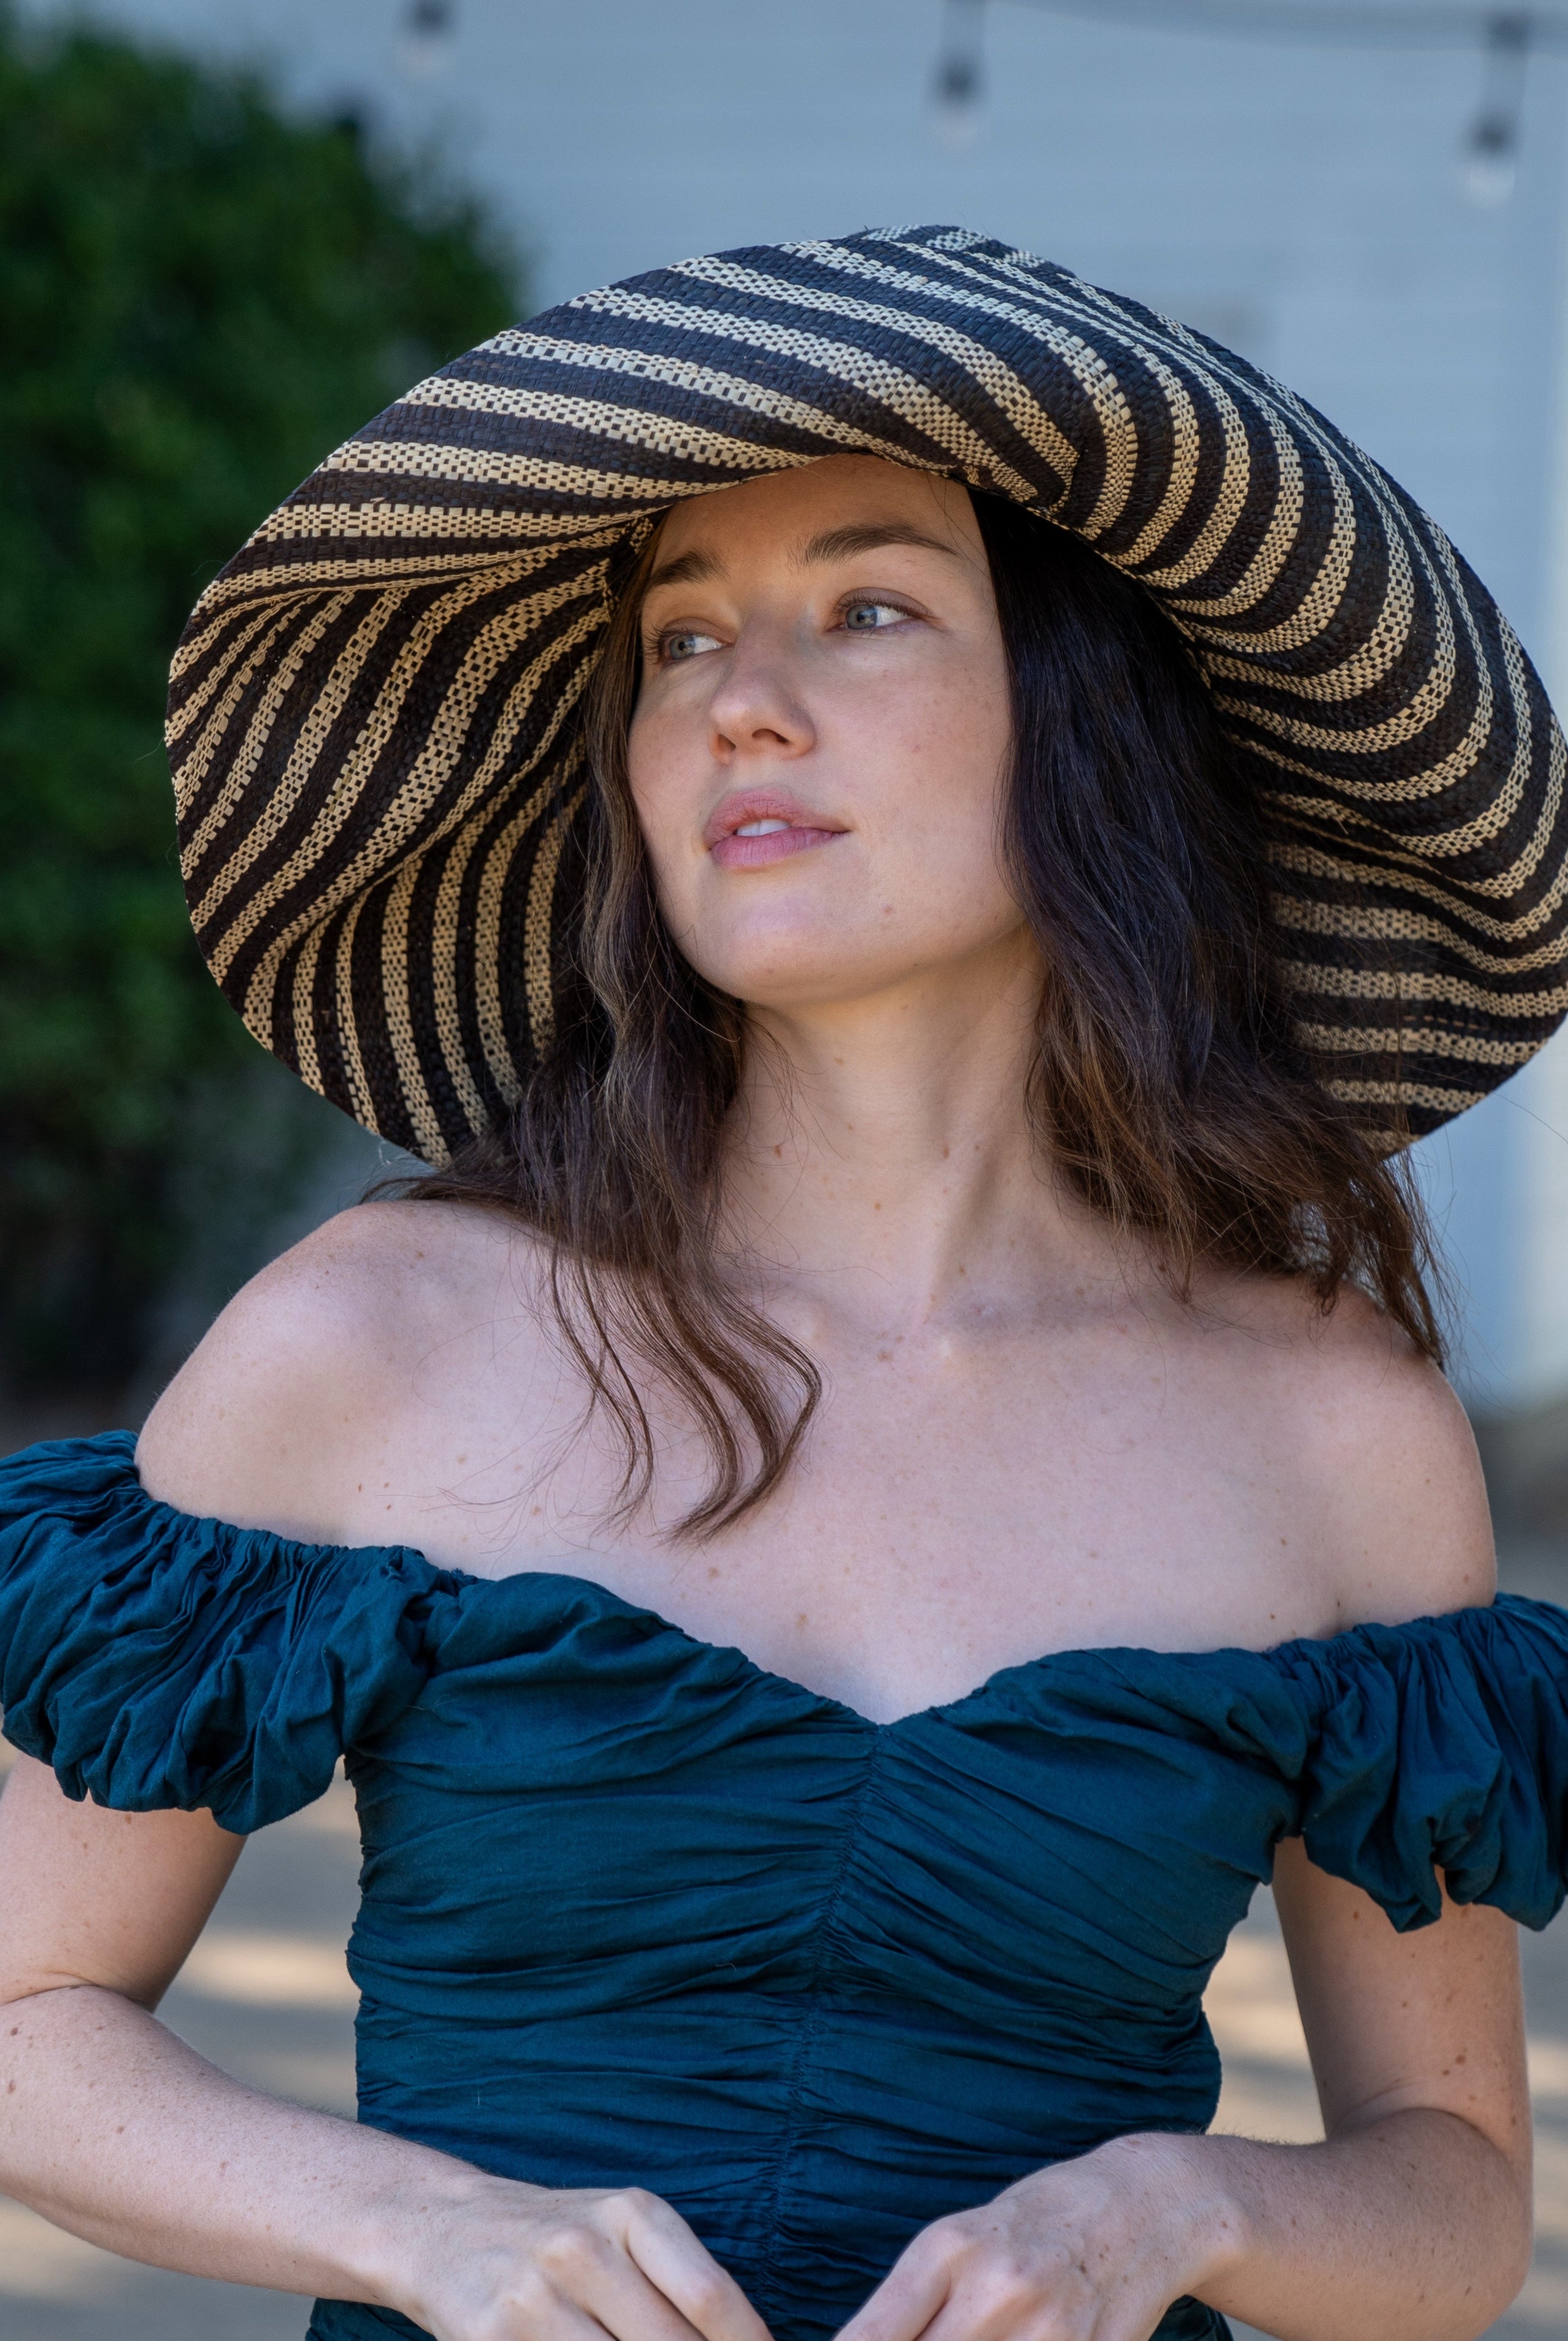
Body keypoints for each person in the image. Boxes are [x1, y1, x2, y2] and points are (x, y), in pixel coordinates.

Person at [1, 226, 1567, 2341]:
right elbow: (27, 2010)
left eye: (868, 609)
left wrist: (1177, 2209)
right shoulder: (370, 1344)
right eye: (676, 641)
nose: (741, 701)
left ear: (1087, 730)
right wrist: (420, 2228)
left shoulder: (1337, 1432)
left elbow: (1458, 2199)